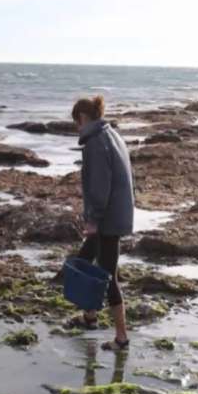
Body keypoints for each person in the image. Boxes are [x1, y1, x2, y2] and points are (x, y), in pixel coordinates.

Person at [69, 95, 135, 351]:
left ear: (83, 118)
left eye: (77, 123)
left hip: (108, 219)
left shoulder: (96, 142)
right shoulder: (111, 134)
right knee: (84, 261)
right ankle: (90, 316)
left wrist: (93, 220)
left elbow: (100, 186)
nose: (77, 128)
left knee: (108, 276)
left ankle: (121, 338)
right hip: (117, 213)